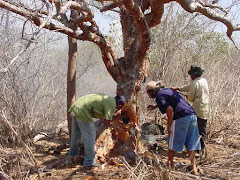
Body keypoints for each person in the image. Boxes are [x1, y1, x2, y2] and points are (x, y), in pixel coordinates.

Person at [146, 81, 201, 174]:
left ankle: (170, 165)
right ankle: (194, 168)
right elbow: (171, 101)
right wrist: (155, 106)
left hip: (180, 117)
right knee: (191, 143)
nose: (148, 95)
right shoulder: (166, 90)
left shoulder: (159, 97)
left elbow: (170, 110)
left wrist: (169, 125)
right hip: (192, 115)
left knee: (172, 141)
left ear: (151, 92)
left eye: (147, 93)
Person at [67, 94, 125, 167]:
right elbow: (106, 122)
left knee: (76, 134)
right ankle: (89, 161)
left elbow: (102, 117)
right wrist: (115, 116)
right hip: (83, 110)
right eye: (120, 107)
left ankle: (72, 154)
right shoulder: (112, 104)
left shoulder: (108, 99)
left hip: (77, 106)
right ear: (119, 105)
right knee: (90, 136)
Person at [172, 66, 210, 155]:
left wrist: (187, 96)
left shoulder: (195, 83)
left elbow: (191, 98)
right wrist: (178, 88)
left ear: (194, 75)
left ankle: (200, 151)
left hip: (199, 109)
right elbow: (189, 87)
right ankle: (200, 150)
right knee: (202, 129)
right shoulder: (203, 81)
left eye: (191, 75)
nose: (190, 76)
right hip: (205, 108)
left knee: (198, 130)